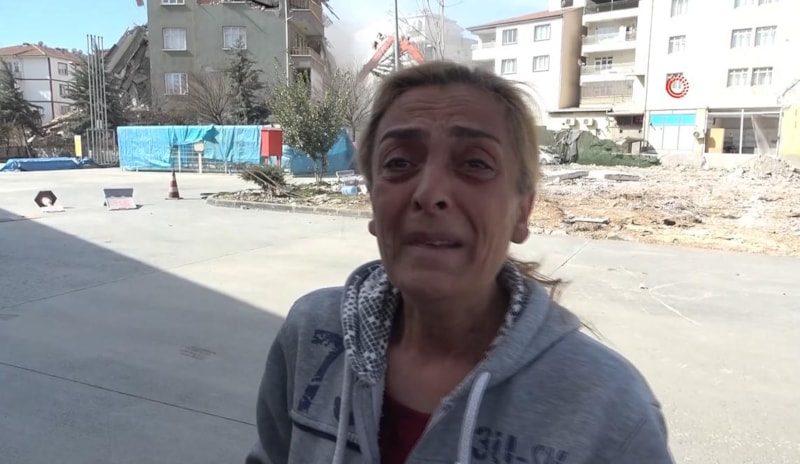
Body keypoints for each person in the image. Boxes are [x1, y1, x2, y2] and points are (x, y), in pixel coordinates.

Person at [246, 61, 674, 464]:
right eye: (399, 163)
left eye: (474, 164)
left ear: (521, 212)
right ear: (373, 200)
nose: (429, 193)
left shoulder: (612, 411)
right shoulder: (312, 335)